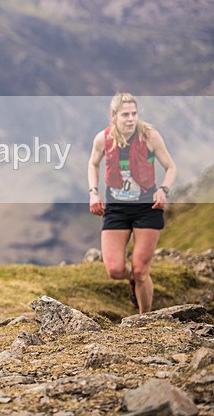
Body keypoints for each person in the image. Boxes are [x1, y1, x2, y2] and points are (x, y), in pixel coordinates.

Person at [87, 92, 177, 314]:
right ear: (114, 115)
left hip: (148, 208)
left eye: (134, 114)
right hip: (117, 208)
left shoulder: (150, 136)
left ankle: (143, 320)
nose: (130, 119)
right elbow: (93, 164)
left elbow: (171, 167)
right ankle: (133, 280)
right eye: (125, 114)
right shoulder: (102, 138)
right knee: (115, 269)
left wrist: (163, 189)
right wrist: (93, 192)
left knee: (140, 270)